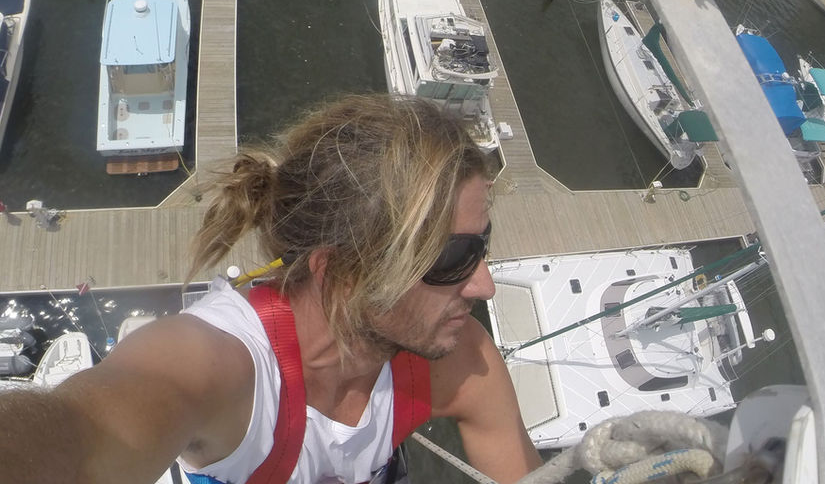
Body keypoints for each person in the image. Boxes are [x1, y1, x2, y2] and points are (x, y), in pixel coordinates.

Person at [0, 94, 541, 483]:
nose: (486, 285)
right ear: (343, 274)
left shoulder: (455, 357)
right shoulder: (220, 366)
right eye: (453, 259)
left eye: (482, 243)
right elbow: (79, 438)